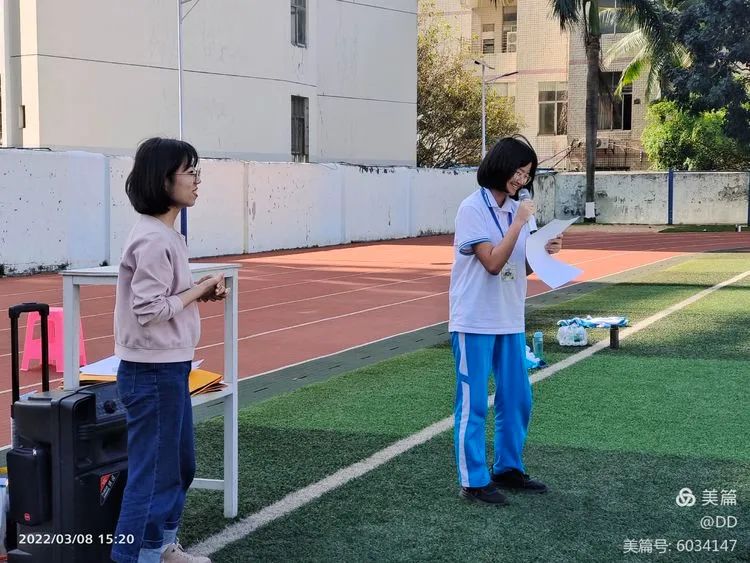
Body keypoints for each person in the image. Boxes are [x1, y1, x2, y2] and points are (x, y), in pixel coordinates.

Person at [112, 137, 228, 563]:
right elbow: (148, 310)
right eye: (189, 172)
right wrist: (198, 289)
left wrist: (197, 293)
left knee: (179, 466)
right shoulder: (153, 239)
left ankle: (161, 547)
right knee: (151, 477)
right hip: (151, 372)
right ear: (163, 181)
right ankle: (135, 555)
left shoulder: (167, 234)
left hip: (168, 368)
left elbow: (165, 297)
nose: (197, 180)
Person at [448, 135, 563, 505]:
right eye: (518, 171)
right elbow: (493, 263)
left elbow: (520, 267)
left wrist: (543, 250)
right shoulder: (473, 208)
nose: (522, 180)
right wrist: (520, 222)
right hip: (475, 320)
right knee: (474, 402)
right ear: (500, 165)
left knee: (517, 398)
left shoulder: (517, 210)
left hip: (509, 318)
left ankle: (508, 468)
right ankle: (474, 480)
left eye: (527, 174)